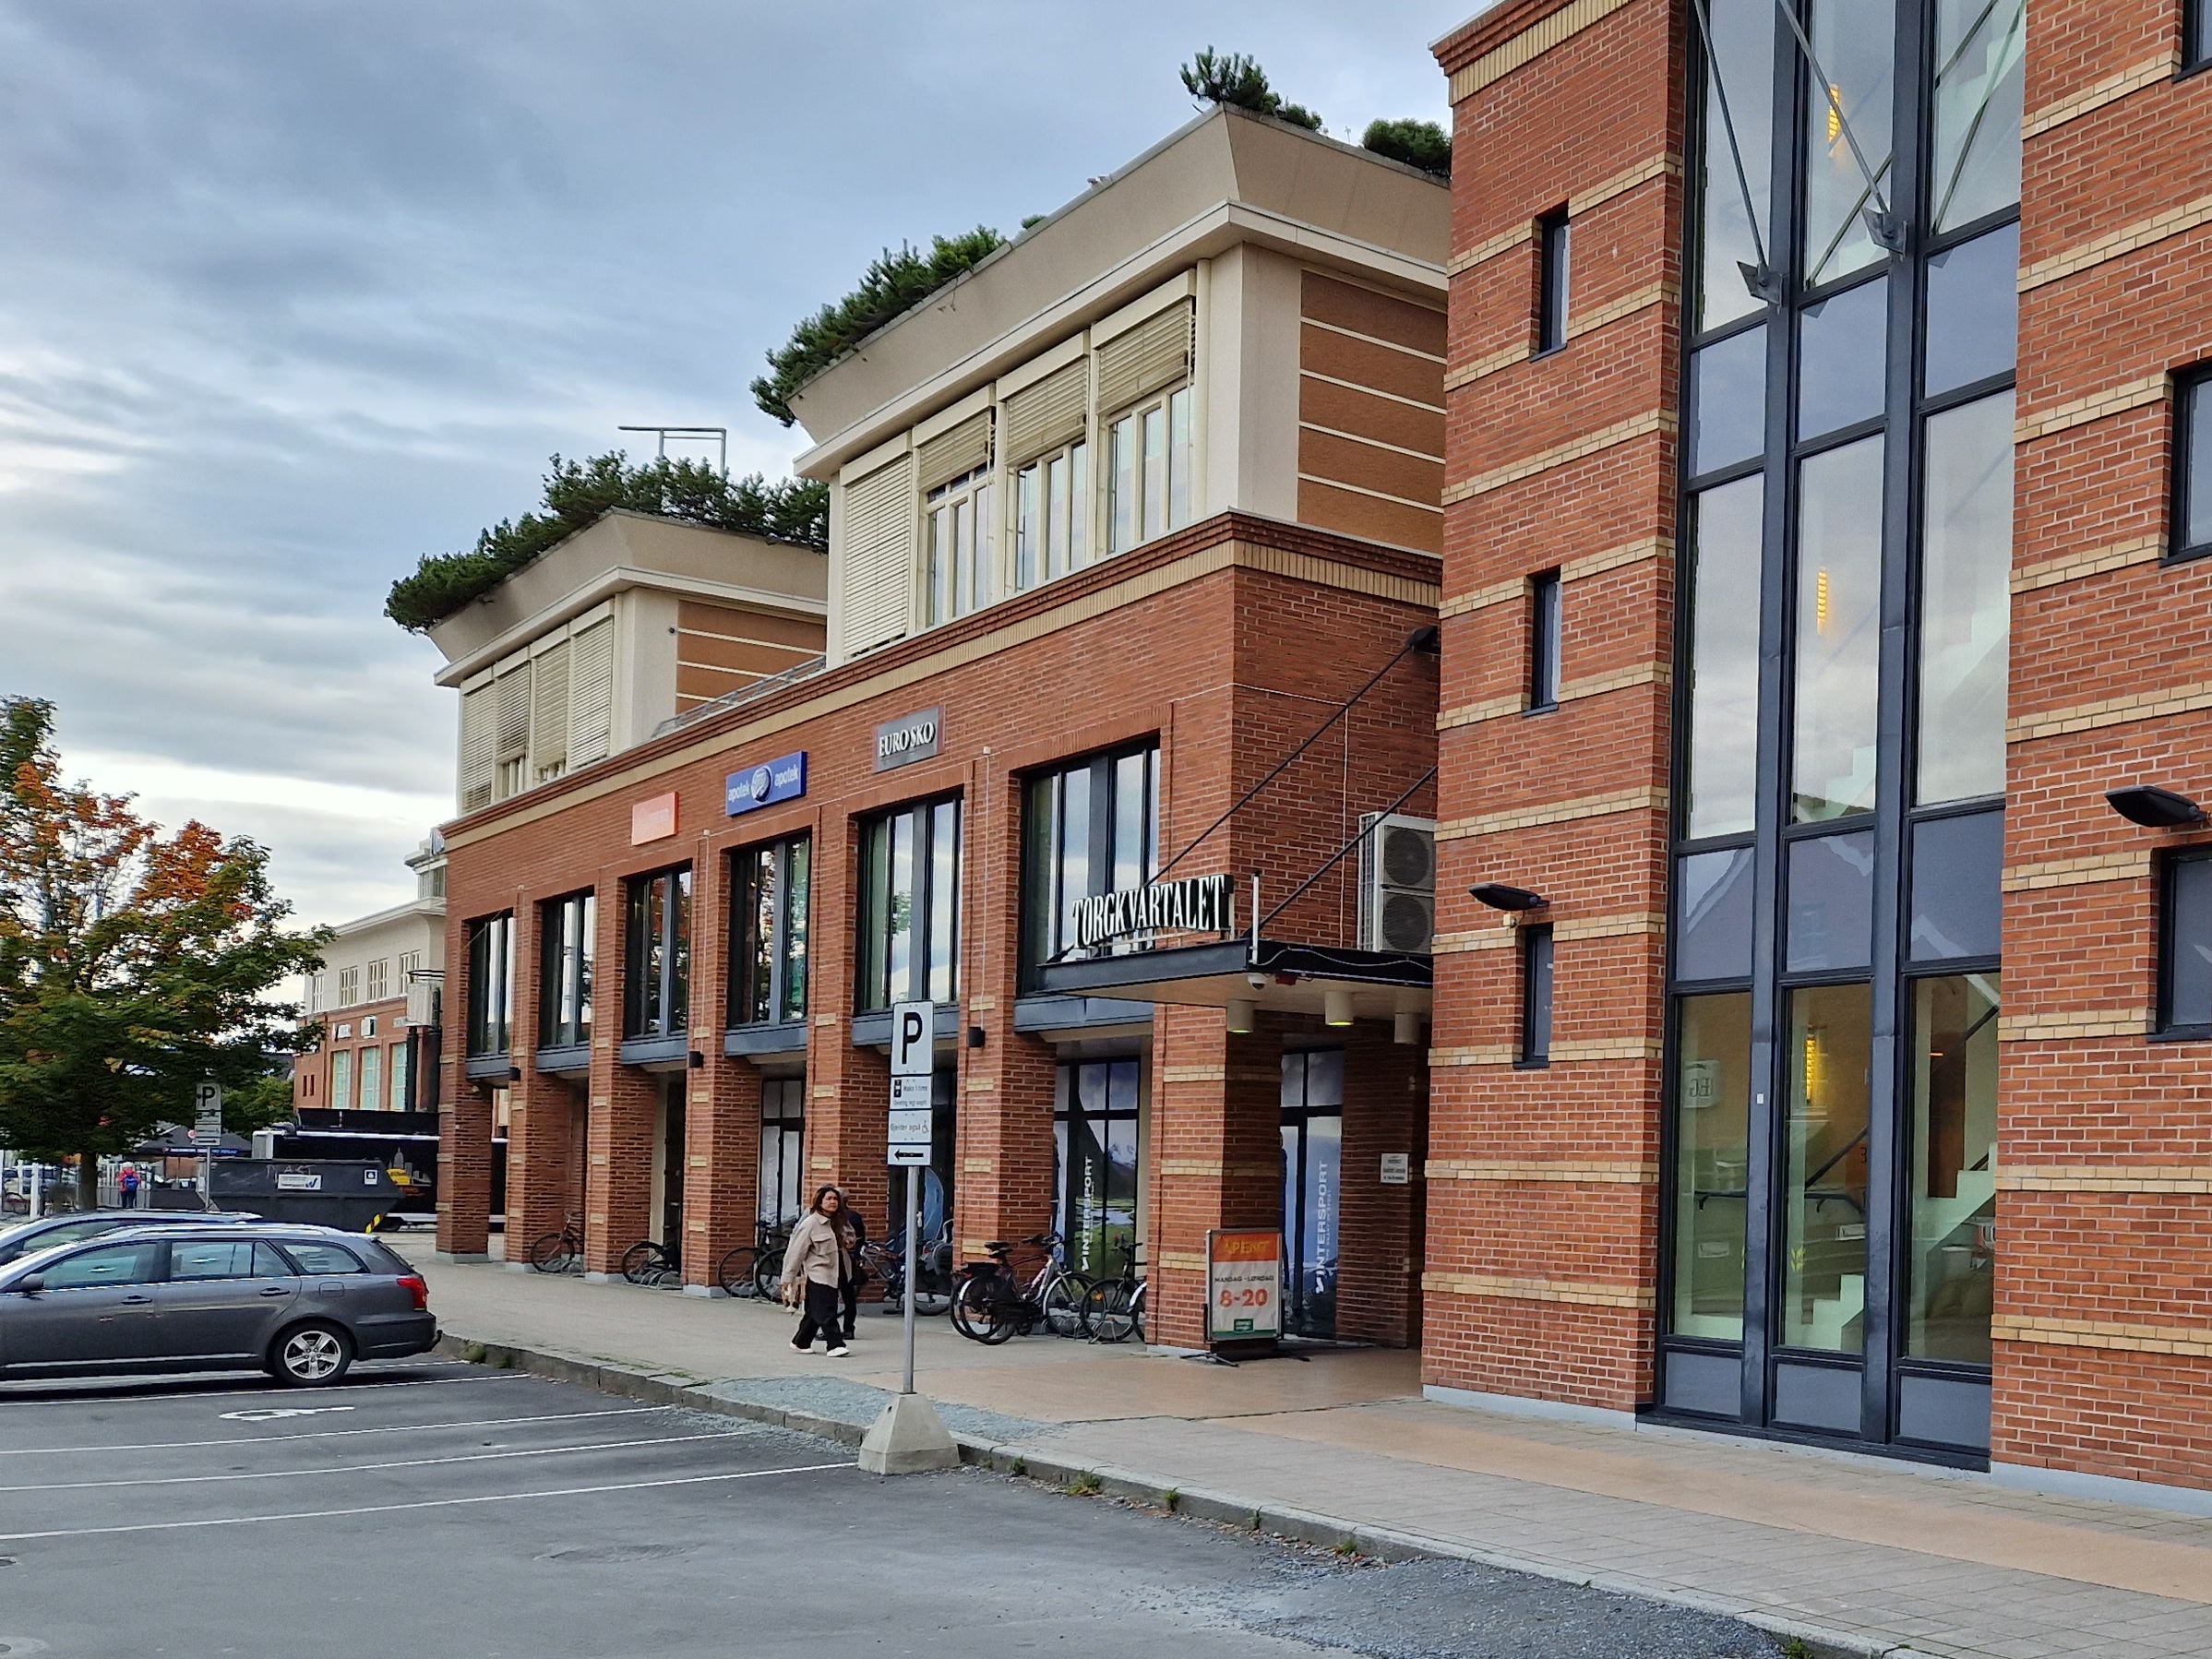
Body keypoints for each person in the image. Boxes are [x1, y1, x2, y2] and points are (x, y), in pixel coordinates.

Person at [780, 1185, 853, 1358]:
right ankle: (835, 1344)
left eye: (835, 1199)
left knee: (814, 1311)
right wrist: (788, 1277)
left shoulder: (839, 1221)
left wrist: (849, 1240)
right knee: (827, 1310)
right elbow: (796, 1251)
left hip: (838, 1271)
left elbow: (850, 1236)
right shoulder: (811, 1224)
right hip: (819, 1273)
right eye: (828, 1199)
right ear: (819, 1202)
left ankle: (801, 1341)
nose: (833, 1202)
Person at [834, 1192, 869, 1343]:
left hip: (838, 1261)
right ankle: (849, 1329)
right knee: (849, 1298)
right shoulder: (854, 1216)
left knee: (831, 1297)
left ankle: (832, 1330)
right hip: (850, 1259)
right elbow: (861, 1238)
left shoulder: (837, 1218)